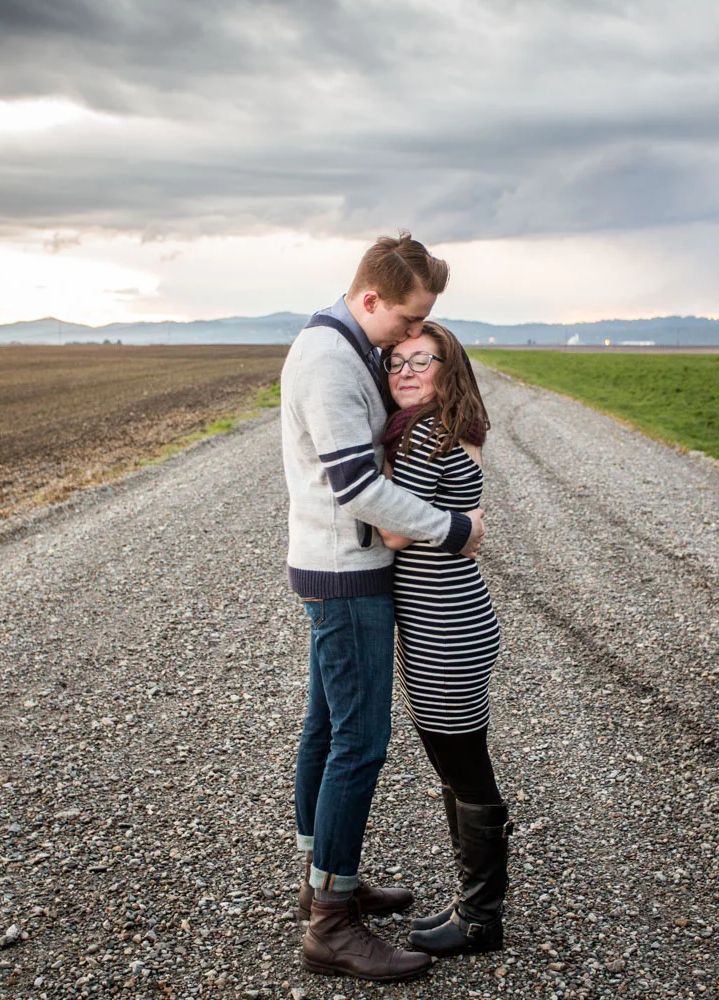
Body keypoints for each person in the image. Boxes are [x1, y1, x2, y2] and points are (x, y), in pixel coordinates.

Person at [280, 232, 486, 982]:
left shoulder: (341, 345)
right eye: (407, 319)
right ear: (371, 299)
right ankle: (331, 923)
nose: (409, 335)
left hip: (337, 564)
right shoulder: (332, 361)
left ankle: (324, 879)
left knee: (328, 726)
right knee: (359, 742)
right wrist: (457, 527)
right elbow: (359, 489)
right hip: (348, 572)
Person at [375, 321, 510, 956]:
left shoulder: (427, 433)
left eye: (418, 360)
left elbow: (398, 534)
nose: (403, 371)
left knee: (461, 765)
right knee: (456, 763)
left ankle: (482, 919)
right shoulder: (446, 424)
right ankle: (473, 907)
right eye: (394, 361)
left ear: (446, 368)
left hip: (444, 626)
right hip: (450, 617)